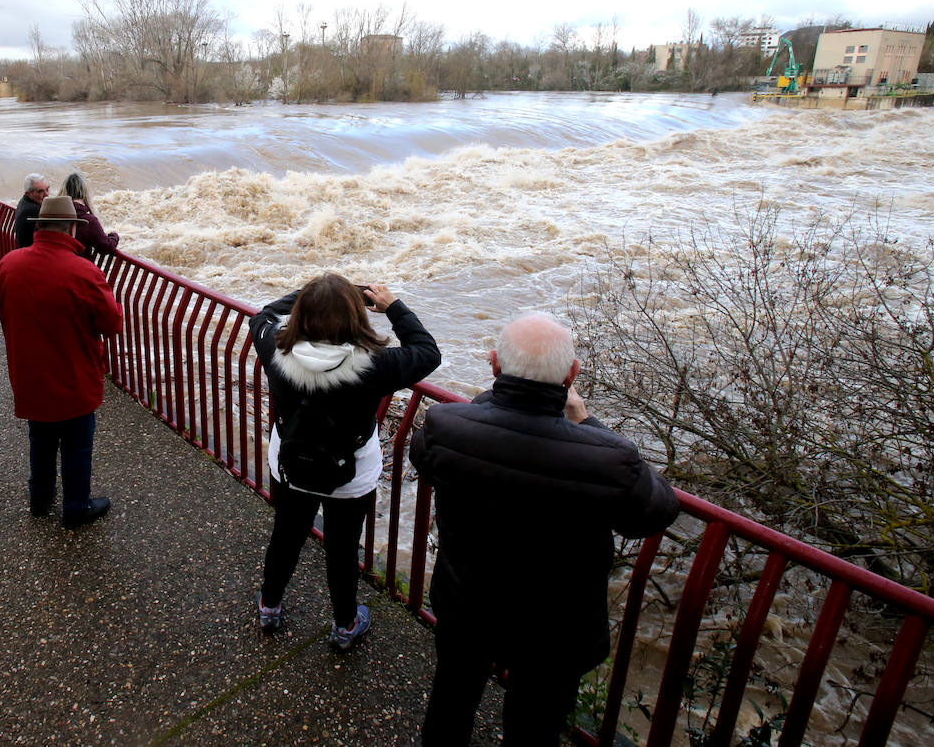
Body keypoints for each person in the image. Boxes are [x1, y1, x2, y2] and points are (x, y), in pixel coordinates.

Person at [409, 313, 680, 747]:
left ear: (493, 364)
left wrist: (486, 404)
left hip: (466, 607)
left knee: (451, 704)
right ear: (572, 374)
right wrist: (586, 421)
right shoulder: (609, 458)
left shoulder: (446, 425)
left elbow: (423, 459)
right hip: (555, 632)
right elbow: (655, 512)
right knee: (534, 730)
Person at [251, 274, 440, 650]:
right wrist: (393, 307)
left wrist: (309, 295)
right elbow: (427, 351)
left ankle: (269, 607)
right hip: (349, 474)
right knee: (341, 548)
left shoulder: (274, 348)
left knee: (286, 537)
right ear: (357, 320)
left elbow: (264, 314)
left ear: (301, 314)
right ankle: (344, 624)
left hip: (290, 465)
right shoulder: (378, 364)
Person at [0, 195, 123, 527]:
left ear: (40, 226)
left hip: (29, 373)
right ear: (71, 229)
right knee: (77, 445)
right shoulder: (84, 271)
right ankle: (76, 508)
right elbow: (112, 324)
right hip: (74, 373)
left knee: (41, 438)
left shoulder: (9, 264)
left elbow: (0, 304)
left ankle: (40, 498)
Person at [62, 172, 119, 259]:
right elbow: (105, 247)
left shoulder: (55, 216)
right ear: (85, 191)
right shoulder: (89, 221)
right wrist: (114, 236)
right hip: (80, 269)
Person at [12, 173, 49, 248]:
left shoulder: (24, 202)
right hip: (34, 254)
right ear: (28, 194)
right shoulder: (35, 211)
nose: (46, 194)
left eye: (47, 189)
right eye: (40, 191)